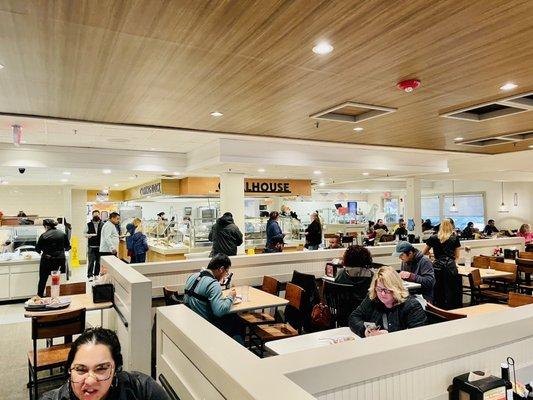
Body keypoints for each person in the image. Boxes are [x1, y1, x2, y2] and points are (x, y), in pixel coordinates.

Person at [40, 327, 170, 400]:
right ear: (69, 370)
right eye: (80, 369)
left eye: (101, 368)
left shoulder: (142, 390)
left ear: (116, 370)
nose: (90, 381)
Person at [349, 266, 427, 338]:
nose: (382, 294)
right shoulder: (373, 298)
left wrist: (390, 336)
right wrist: (366, 332)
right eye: (379, 289)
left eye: (386, 290)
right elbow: (354, 317)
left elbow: (418, 337)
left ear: (396, 288)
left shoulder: (412, 306)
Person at [183, 254, 242, 341]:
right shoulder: (213, 284)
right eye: (226, 272)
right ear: (221, 269)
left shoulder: (192, 276)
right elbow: (219, 311)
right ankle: (238, 352)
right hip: (205, 326)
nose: (225, 276)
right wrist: (230, 297)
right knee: (236, 320)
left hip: (190, 321)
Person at [423, 219, 461, 309]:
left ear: (440, 226)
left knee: (438, 290)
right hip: (450, 266)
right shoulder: (455, 238)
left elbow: (424, 252)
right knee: (452, 290)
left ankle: (439, 309)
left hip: (437, 266)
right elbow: (457, 256)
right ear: (451, 226)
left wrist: (433, 255)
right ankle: (452, 310)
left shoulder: (433, 238)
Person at [35, 219, 71, 297]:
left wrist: (44, 252)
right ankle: (60, 296)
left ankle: (40, 296)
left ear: (46, 226)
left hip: (47, 260)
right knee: (59, 278)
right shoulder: (62, 234)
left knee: (43, 279)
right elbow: (68, 247)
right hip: (60, 260)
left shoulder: (44, 235)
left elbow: (37, 249)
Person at [84, 210, 103, 280]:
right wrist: (89, 235)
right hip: (91, 246)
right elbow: (84, 233)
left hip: (100, 246)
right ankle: (90, 275)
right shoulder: (88, 224)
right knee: (91, 261)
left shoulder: (103, 224)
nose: (96, 216)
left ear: (99, 215)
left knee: (98, 262)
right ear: (92, 216)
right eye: (95, 215)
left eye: (97, 215)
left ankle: (96, 274)